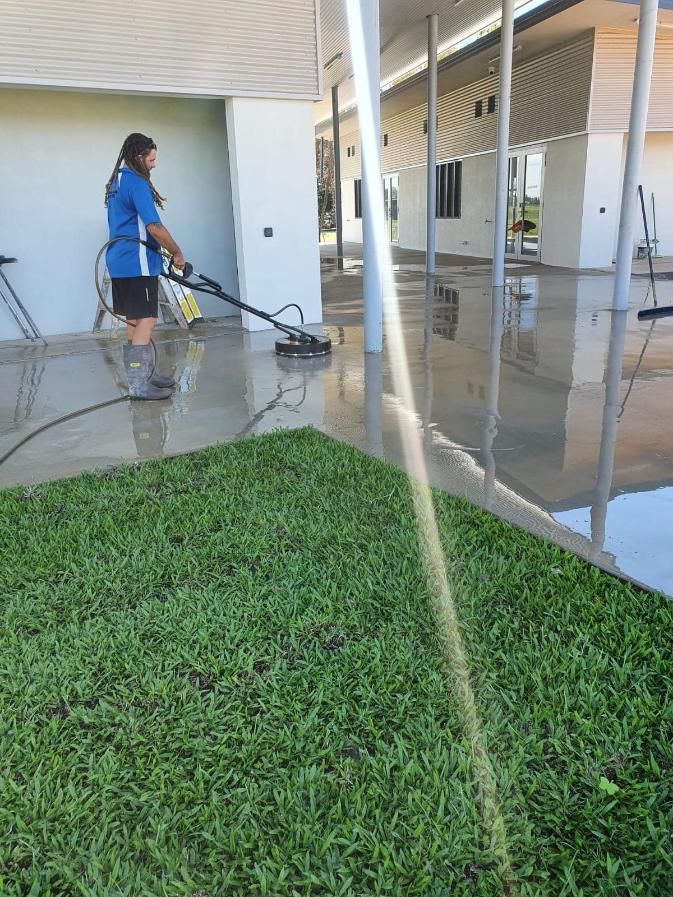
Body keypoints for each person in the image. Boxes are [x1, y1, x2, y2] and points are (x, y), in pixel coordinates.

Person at [104, 133, 185, 400]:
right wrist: (176, 252)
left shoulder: (116, 181)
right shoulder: (137, 184)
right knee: (147, 319)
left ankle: (145, 375)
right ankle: (139, 386)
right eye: (151, 159)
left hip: (119, 260)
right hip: (136, 262)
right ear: (138, 157)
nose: (153, 165)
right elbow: (154, 227)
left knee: (134, 320)